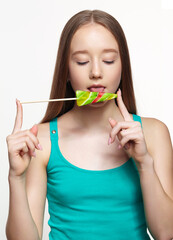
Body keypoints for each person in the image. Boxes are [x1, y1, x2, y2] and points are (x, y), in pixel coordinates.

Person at [6, 9, 173, 240]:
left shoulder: (154, 133)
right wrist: (16, 177)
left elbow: (166, 233)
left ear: (123, 65)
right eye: (82, 61)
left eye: (108, 60)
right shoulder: (41, 140)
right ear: (66, 69)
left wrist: (144, 163)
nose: (96, 72)